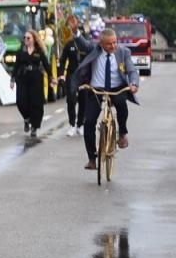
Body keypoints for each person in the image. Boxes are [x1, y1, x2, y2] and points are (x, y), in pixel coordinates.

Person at [72, 23, 139, 170]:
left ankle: (122, 133)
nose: (113, 46)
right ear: (101, 43)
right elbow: (82, 44)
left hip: (117, 88)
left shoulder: (123, 52)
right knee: (88, 122)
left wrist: (133, 83)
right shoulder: (94, 49)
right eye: (109, 44)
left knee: (122, 105)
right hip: (96, 89)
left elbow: (132, 70)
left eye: (115, 42)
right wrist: (76, 31)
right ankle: (92, 159)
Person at [58, 21, 93, 135]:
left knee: (83, 99)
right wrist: (61, 75)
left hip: (84, 76)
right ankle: (72, 124)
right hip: (72, 74)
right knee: (71, 100)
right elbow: (62, 60)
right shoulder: (69, 45)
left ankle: (80, 124)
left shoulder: (88, 46)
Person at [11, 29, 47, 137]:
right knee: (21, 101)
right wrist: (12, 79)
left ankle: (34, 127)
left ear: (33, 39)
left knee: (36, 103)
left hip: (35, 79)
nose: (26, 40)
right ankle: (26, 118)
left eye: (28, 38)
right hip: (22, 78)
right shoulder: (20, 52)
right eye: (24, 38)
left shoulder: (39, 52)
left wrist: (52, 78)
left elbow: (46, 65)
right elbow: (16, 66)